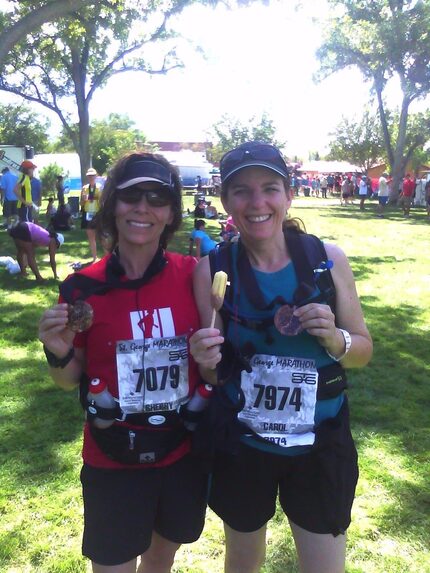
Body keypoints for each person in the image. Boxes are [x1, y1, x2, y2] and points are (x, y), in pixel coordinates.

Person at [189, 141, 373, 573]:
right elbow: (213, 376)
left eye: (270, 188)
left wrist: (335, 339)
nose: (258, 203)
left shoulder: (326, 261)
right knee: (242, 562)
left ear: (288, 195)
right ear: (226, 201)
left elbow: (363, 351)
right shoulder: (212, 269)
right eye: (242, 191)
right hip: (243, 441)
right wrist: (204, 358)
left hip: (319, 442)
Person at [38, 152, 208, 573]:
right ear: (113, 204)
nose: (143, 208)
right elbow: (67, 380)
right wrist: (57, 349)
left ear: (171, 213)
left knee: (160, 560)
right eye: (132, 196)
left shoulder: (195, 275)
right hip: (112, 455)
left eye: (157, 198)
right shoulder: (81, 287)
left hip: (180, 452)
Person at [80, 167, 102, 261]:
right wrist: (84, 200)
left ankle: (107, 257)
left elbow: (103, 202)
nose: (91, 178)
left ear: (96, 176)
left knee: (102, 236)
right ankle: (94, 257)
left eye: (92, 176)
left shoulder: (100, 187)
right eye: (89, 176)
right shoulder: (84, 188)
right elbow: (81, 204)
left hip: (97, 213)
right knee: (91, 237)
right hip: (87, 214)